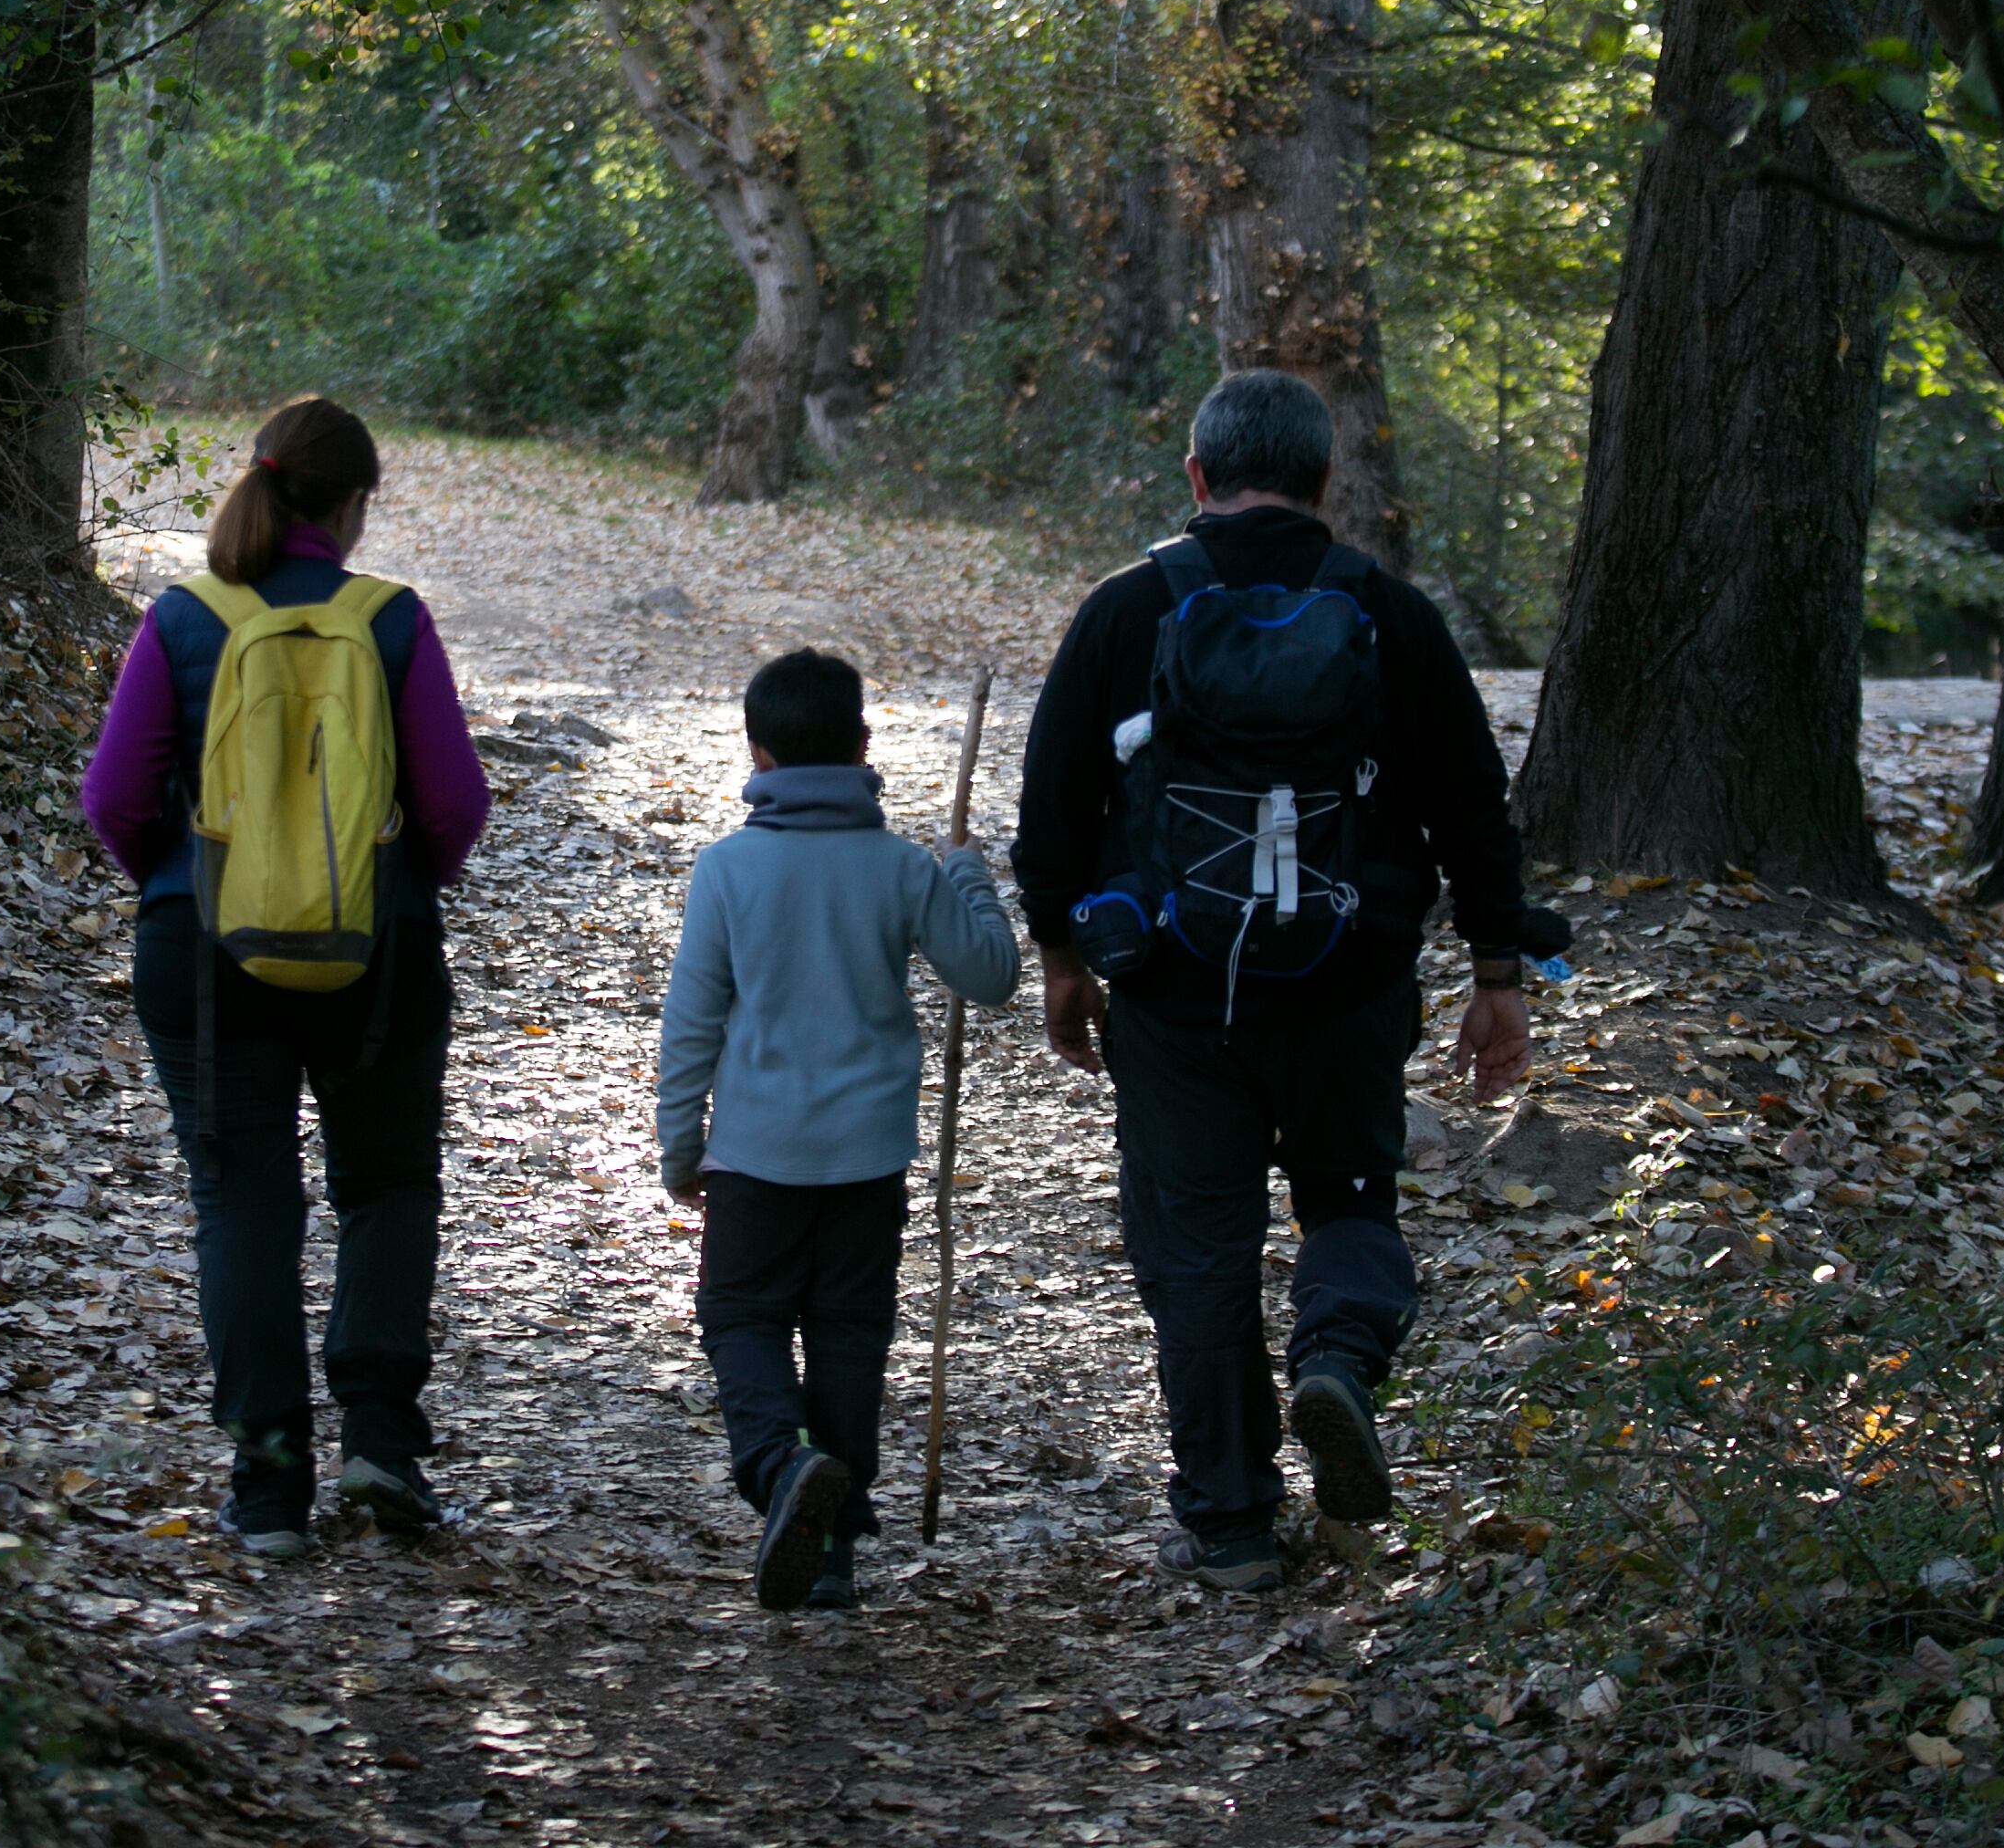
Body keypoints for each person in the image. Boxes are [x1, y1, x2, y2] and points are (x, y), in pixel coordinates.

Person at [1011, 368, 1540, 1593]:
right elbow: (1474, 806)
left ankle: (1234, 1522)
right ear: (1327, 481)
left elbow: (1051, 808)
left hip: (1176, 991)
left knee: (1196, 1248)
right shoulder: (1390, 614)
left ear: (1196, 478)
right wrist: (1496, 971)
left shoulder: (1127, 609)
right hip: (1350, 987)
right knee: (1352, 1205)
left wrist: (1061, 959)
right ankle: (1338, 1364)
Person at [79, 396, 492, 1557]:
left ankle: (266, 1490)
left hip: (204, 954)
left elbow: (113, 797)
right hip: (380, 950)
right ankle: (380, 1444)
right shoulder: (392, 622)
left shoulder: (184, 619)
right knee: (388, 1186)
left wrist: (180, 881)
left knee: (243, 1202)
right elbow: (457, 803)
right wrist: (405, 882)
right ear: (354, 506)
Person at [656, 649, 1020, 1613]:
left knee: (741, 1318)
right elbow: (991, 975)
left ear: (757, 754)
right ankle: (831, 1552)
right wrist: (969, 878)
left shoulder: (728, 869)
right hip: (866, 1159)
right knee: (850, 1335)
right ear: (863, 746)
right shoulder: (901, 868)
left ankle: (782, 1470)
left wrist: (679, 1148)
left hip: (756, 1159)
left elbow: (692, 1023)